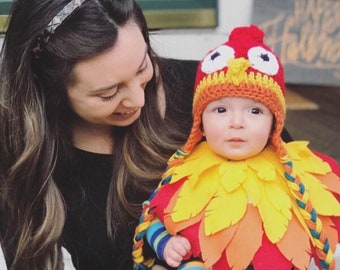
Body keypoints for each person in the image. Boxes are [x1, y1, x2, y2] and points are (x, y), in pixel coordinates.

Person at [132, 25, 340, 270]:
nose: (237, 123)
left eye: (255, 111)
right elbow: (153, 216)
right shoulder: (186, 170)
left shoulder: (297, 175)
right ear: (200, 120)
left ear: (275, 121)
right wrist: (166, 244)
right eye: (220, 110)